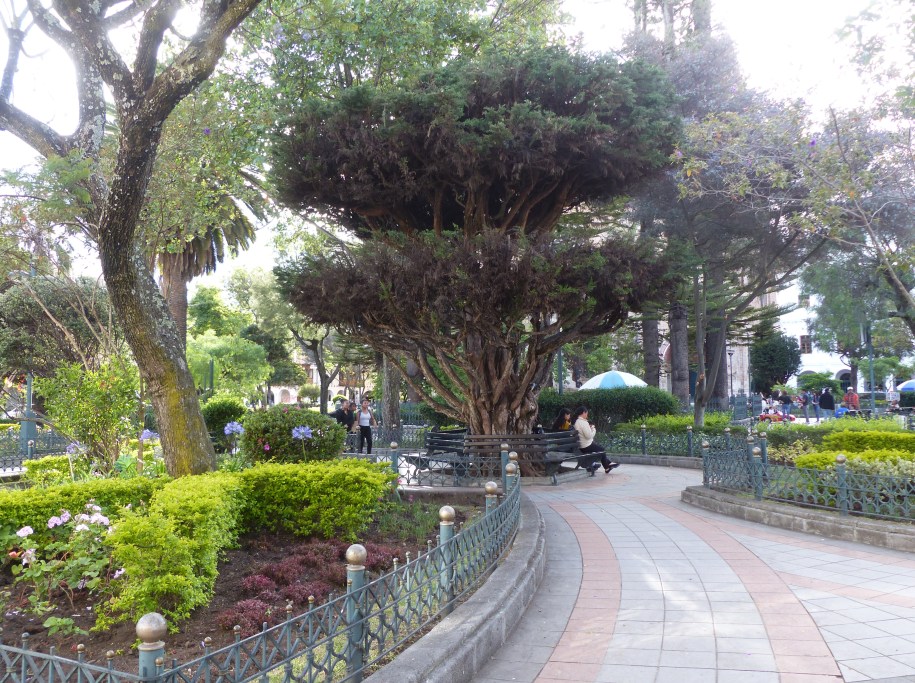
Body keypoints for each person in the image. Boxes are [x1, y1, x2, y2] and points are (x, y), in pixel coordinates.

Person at [573, 406, 618, 474]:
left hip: (582, 445)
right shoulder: (583, 423)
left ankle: (608, 464)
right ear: (583, 413)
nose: (587, 415)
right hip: (586, 446)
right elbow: (588, 436)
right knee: (602, 450)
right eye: (586, 413)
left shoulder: (577, 422)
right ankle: (607, 467)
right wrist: (593, 429)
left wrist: (589, 429)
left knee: (600, 449)